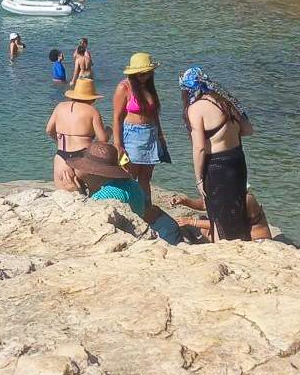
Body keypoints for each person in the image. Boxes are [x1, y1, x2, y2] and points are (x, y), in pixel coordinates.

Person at [179, 66, 254, 241]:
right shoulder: (225, 100)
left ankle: (223, 248)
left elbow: (199, 148)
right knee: (236, 209)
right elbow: (248, 130)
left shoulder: (196, 109)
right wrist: (224, 133)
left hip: (217, 165)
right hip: (237, 160)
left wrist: (198, 179)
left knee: (218, 214)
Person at [66, 141, 182, 245]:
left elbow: (91, 222)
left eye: (81, 165)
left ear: (93, 172)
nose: (75, 168)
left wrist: (76, 194)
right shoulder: (126, 182)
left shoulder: (106, 195)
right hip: (161, 228)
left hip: (159, 237)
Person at [112, 53, 167, 203]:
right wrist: (118, 145)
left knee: (146, 178)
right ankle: (129, 206)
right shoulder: (124, 88)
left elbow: (155, 115)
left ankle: (145, 207)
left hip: (151, 134)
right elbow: (117, 118)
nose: (146, 76)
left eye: (148, 73)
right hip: (132, 136)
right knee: (129, 176)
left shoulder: (149, 88)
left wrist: (161, 137)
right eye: (142, 74)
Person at [47, 79, 109, 191]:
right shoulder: (92, 111)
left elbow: (49, 130)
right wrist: (108, 132)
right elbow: (103, 140)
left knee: (65, 197)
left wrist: (58, 140)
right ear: (92, 98)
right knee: (94, 195)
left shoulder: (60, 107)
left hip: (62, 158)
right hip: (84, 158)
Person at [170, 191, 271, 241]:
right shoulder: (227, 192)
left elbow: (222, 223)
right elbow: (204, 204)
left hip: (257, 242)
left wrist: (191, 221)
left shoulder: (244, 199)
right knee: (202, 221)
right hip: (241, 236)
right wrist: (184, 201)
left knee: (203, 228)